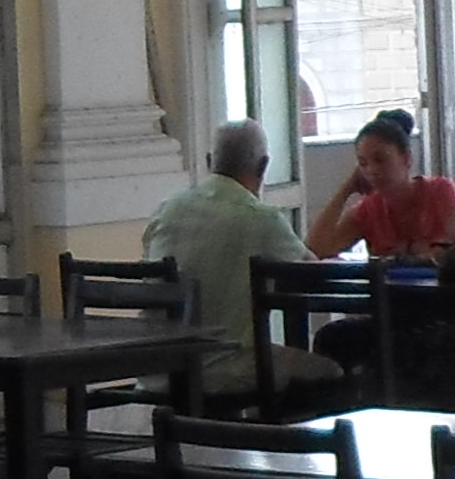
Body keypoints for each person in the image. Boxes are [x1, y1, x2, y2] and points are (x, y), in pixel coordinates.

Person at [142, 121, 339, 404]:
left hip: (158, 372)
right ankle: (290, 443)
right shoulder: (260, 218)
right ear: (263, 166)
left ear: (210, 161)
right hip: (224, 370)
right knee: (330, 370)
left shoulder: (167, 210)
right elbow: (312, 273)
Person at [307, 108, 455, 263]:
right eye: (363, 163)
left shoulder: (440, 191)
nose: (372, 170)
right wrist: (345, 190)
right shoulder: (368, 211)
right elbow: (316, 251)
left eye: (381, 160)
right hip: (388, 292)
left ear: (406, 158)